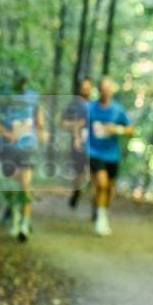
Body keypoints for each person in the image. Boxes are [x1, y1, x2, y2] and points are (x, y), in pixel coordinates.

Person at [0, 75, 46, 242]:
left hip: (27, 147)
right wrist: (6, 133)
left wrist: (42, 133)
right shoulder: (4, 94)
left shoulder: (33, 95)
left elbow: (39, 119)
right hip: (7, 149)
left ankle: (24, 223)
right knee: (13, 185)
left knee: (25, 184)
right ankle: (15, 217)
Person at [88, 77, 134, 237]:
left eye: (109, 89)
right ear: (99, 90)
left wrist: (116, 130)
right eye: (104, 89)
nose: (106, 92)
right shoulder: (90, 108)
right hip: (93, 152)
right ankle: (100, 220)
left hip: (112, 155)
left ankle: (101, 212)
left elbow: (131, 130)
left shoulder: (118, 110)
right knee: (101, 184)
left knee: (109, 188)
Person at [61, 77, 93, 210]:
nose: (85, 89)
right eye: (83, 87)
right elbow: (62, 123)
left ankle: (96, 206)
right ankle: (77, 191)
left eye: (88, 87)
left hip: (94, 145)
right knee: (79, 172)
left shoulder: (95, 105)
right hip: (78, 144)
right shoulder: (73, 105)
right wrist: (76, 125)